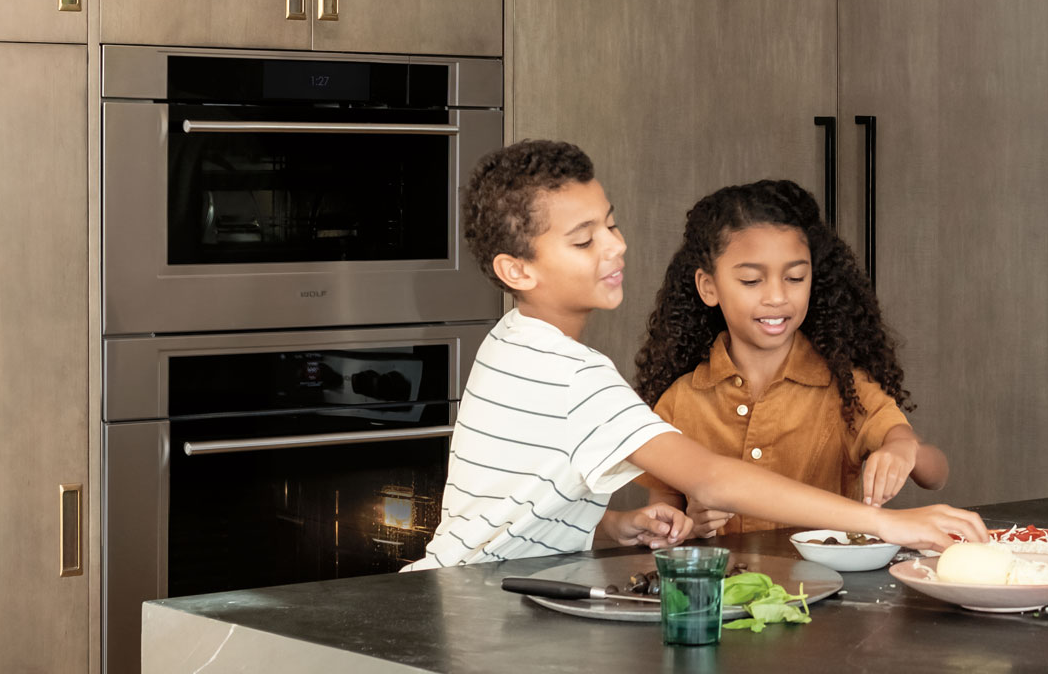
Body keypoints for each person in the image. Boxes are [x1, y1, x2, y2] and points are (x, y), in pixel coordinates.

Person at [410, 139, 987, 570]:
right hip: (475, 604)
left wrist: (614, 525)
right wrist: (890, 524)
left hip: (457, 591)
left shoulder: (510, 341)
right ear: (516, 271)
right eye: (584, 240)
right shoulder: (573, 375)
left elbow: (512, 507)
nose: (616, 246)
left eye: (611, 225)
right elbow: (711, 479)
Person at [633, 180, 949, 534]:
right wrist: (690, 526)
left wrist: (904, 448)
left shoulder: (846, 389)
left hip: (823, 571)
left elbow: (935, 474)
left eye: (795, 277)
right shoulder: (679, 401)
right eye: (751, 281)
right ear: (709, 287)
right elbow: (662, 520)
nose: (777, 297)